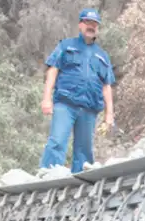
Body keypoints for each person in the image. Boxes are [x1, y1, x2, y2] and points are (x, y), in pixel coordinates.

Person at [39, 8, 116, 174]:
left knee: (84, 150)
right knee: (57, 141)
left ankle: (81, 184)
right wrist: (46, 98)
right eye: (88, 22)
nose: (91, 26)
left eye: (94, 24)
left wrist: (109, 115)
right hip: (65, 104)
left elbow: (107, 85)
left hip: (89, 109)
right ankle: (48, 175)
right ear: (80, 25)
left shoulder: (102, 56)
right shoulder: (66, 46)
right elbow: (52, 71)